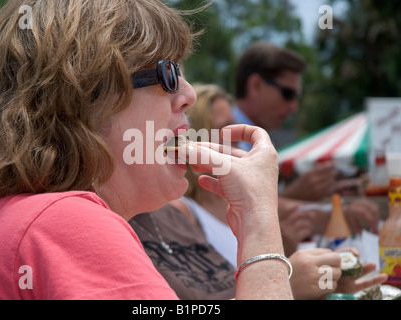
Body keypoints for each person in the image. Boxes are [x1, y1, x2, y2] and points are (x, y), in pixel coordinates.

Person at [0, 0, 292, 300]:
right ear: (86, 97)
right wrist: (259, 220)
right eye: (168, 73)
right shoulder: (66, 223)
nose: (189, 95)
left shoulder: (22, 220)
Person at [132, 84, 386, 299]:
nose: (235, 139)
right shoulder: (177, 212)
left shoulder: (218, 202)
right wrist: (284, 281)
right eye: (224, 128)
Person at [233, 42, 337, 202]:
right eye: (288, 94)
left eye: (297, 97)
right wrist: (293, 195)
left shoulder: (253, 138)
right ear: (256, 85)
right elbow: (225, 213)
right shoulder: (221, 133)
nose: (294, 107)